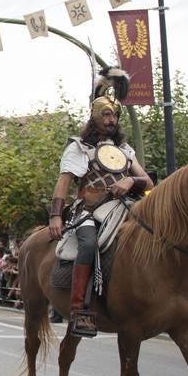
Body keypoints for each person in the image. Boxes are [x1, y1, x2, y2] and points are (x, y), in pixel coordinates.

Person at [46, 69, 153, 337]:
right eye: (106, 115)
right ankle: (79, 309)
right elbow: (64, 182)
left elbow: (148, 183)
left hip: (124, 207)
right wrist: (56, 216)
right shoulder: (79, 147)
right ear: (95, 117)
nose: (112, 120)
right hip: (89, 211)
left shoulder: (126, 151)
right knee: (89, 244)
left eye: (115, 115)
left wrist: (130, 182)